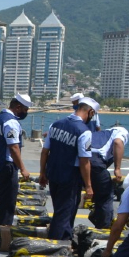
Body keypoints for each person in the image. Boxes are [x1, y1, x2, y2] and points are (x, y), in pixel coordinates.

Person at [39, 97, 95, 241]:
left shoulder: (55, 125)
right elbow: (84, 161)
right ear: (91, 112)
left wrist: (42, 173)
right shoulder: (84, 131)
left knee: (62, 210)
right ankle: (56, 246)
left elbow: (45, 151)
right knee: (64, 213)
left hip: (53, 173)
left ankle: (66, 238)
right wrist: (88, 186)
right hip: (69, 176)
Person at [0, 93, 33, 245]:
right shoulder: (10, 122)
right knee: (7, 203)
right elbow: (13, 148)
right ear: (18, 107)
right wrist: (23, 169)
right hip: (6, 166)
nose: (25, 113)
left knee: (0, 200)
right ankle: (2, 236)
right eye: (25, 109)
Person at [87, 126, 128, 229]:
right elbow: (118, 143)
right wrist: (117, 168)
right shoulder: (122, 131)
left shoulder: (99, 134)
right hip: (95, 161)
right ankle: (103, 228)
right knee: (105, 196)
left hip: (81, 160)